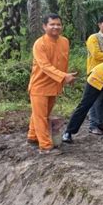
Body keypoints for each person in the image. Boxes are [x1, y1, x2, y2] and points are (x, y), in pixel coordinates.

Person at [27, 13, 77, 154]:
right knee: (41, 117)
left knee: (41, 114)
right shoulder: (39, 44)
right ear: (44, 26)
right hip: (39, 85)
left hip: (54, 84)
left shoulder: (65, 41)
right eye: (52, 24)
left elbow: (63, 63)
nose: (56, 27)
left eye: (58, 24)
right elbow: (44, 66)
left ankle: (32, 137)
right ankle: (45, 146)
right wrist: (63, 76)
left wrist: (65, 78)